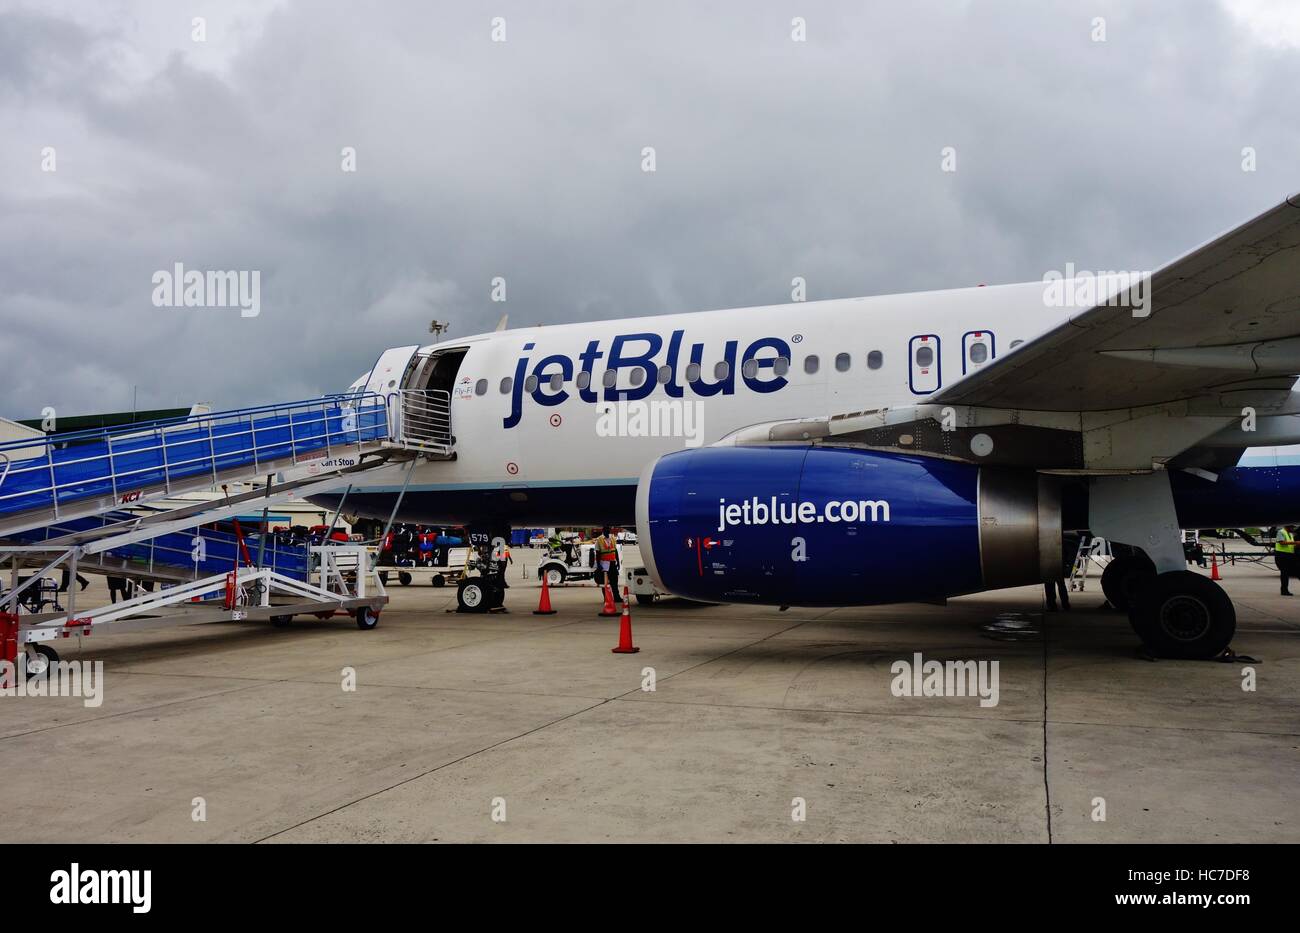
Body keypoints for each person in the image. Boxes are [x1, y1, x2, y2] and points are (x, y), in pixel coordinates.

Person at [594, 526, 619, 597]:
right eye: (606, 529)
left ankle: (617, 597)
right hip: (604, 564)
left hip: (612, 563)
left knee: (614, 581)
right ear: (603, 530)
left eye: (608, 529)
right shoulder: (599, 540)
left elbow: (615, 551)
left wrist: (618, 562)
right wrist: (598, 565)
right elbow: (597, 553)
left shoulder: (613, 538)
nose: (608, 531)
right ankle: (606, 598)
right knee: (604, 582)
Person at [1275, 525, 1296, 596]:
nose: (1293, 529)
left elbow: (1290, 544)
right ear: (1288, 527)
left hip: (1289, 555)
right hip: (1282, 555)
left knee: (1289, 572)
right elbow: (1282, 542)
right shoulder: (1281, 532)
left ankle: (1285, 590)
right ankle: (1284, 590)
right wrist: (1296, 543)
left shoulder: (1290, 534)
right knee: (1284, 573)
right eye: (1292, 527)